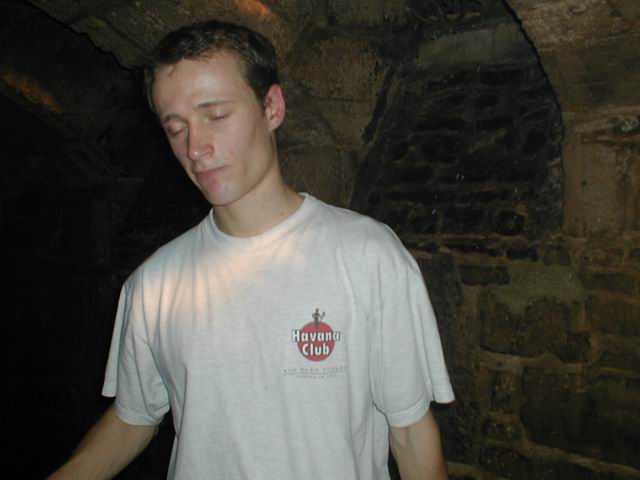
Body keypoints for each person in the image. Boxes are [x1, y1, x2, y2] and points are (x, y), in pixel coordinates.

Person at [49, 19, 454, 480]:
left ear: (272, 107)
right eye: (175, 127)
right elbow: (133, 417)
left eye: (216, 115)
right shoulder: (153, 284)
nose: (195, 148)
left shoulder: (368, 256)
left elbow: (410, 433)